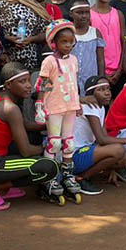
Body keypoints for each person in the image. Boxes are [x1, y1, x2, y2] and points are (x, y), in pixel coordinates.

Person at [0, 63, 61, 210]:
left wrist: (51, 123)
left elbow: (24, 125)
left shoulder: (0, 97)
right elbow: (26, 151)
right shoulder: (10, 109)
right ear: (8, 85)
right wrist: (47, 147)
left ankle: (2, 186)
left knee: (32, 139)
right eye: (22, 82)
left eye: (29, 80)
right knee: (50, 167)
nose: (29, 85)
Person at [36, 20, 83, 202]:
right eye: (64, 42)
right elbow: (43, 84)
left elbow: (74, 83)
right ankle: (49, 177)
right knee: (54, 143)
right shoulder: (50, 61)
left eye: (71, 42)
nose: (69, 45)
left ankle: (67, 175)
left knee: (69, 143)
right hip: (54, 108)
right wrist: (40, 104)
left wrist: (77, 103)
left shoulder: (74, 60)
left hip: (70, 107)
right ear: (54, 43)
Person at [70, 76, 126, 195]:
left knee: (124, 157)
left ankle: (87, 175)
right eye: (101, 89)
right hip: (74, 155)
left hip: (85, 151)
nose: (107, 93)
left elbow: (103, 137)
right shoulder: (89, 106)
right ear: (91, 93)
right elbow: (102, 139)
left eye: (108, 89)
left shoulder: (100, 108)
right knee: (118, 150)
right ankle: (81, 178)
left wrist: (112, 167)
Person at [90, 0, 126, 95]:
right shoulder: (89, 14)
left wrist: (120, 69)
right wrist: (103, 74)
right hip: (98, 71)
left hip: (119, 70)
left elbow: (124, 42)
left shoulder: (118, 14)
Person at [68, 0, 105, 96]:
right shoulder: (67, 32)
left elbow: (100, 59)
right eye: (79, 13)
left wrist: (101, 79)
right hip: (70, 80)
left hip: (91, 80)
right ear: (71, 13)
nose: (84, 16)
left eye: (86, 12)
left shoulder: (95, 33)